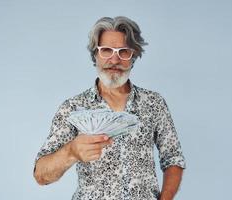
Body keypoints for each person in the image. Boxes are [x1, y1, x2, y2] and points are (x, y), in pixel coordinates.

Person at [33, 16, 186, 200]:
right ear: (95, 55)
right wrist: (71, 152)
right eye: (106, 50)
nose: (115, 59)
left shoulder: (154, 103)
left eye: (124, 52)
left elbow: (173, 159)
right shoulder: (73, 108)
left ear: (133, 57)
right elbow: (41, 175)